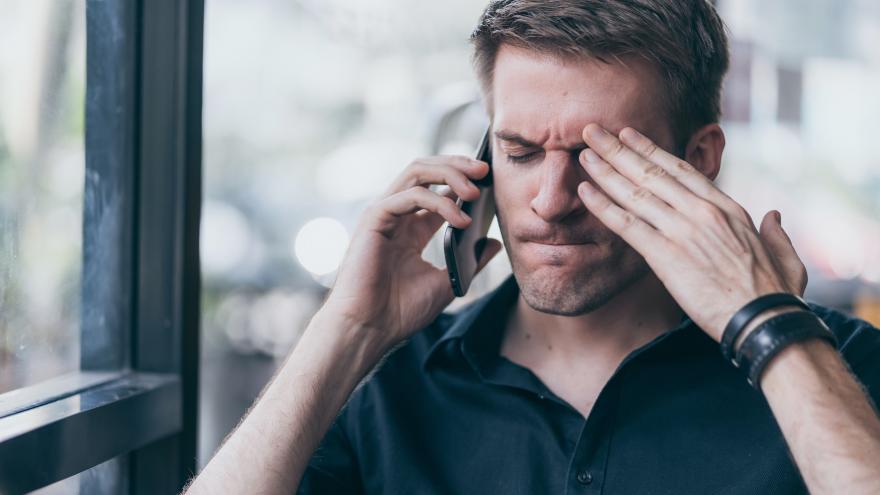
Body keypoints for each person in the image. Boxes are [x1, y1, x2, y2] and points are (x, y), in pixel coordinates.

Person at [186, 1, 880, 493]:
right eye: (520, 151)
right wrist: (345, 330)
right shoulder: (388, 396)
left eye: (597, 157)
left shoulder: (840, 371)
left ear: (697, 158)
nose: (549, 201)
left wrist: (768, 329)